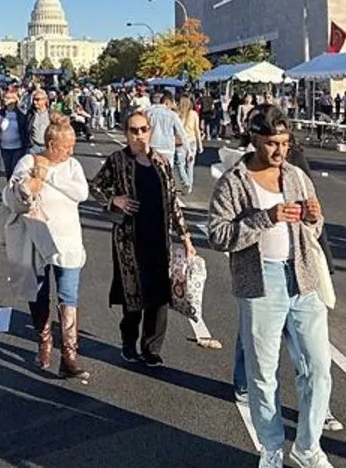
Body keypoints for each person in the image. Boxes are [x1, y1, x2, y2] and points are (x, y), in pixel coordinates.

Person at [206, 104, 333, 468]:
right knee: (263, 373)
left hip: (303, 276)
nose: (279, 151)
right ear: (254, 139)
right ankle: (272, 446)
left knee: (318, 367)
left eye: (284, 142)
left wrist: (313, 218)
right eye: (272, 143)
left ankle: (308, 448)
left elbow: (315, 228)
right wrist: (266, 217)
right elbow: (218, 235)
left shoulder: (295, 176)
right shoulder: (234, 181)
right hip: (261, 282)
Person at [90, 111, 196, 368]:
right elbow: (96, 187)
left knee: (159, 296)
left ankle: (151, 348)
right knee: (133, 295)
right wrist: (114, 201)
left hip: (160, 239)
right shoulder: (118, 160)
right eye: (134, 130)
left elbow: (172, 202)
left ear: (150, 131)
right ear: (126, 133)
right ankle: (129, 342)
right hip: (129, 240)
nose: (139, 135)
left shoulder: (160, 162)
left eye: (143, 129)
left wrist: (186, 237)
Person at [4, 115, 91, 381]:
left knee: (68, 296)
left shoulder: (72, 165)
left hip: (67, 241)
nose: (71, 151)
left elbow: (81, 193)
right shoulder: (28, 161)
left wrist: (49, 175)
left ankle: (70, 355)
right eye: (66, 147)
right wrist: (26, 186)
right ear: (51, 144)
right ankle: (44, 341)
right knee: (39, 294)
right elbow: (11, 193)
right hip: (35, 240)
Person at [0, 90, 30, 181]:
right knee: (8, 170)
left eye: (7, 98)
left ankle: (14, 191)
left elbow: (25, 128)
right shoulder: (0, 114)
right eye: (4, 97)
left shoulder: (20, 114)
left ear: (14, 100)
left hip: (18, 147)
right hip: (4, 147)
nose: (4, 99)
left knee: (15, 170)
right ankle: (10, 190)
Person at [144, 92, 186, 178]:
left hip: (153, 146)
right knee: (168, 173)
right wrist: (187, 149)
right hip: (168, 147)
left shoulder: (148, 112)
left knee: (152, 172)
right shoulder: (172, 114)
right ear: (167, 102)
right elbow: (181, 132)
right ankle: (166, 187)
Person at [176, 93, 202, 194]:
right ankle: (189, 185)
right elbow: (197, 130)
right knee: (190, 165)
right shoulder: (194, 114)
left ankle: (185, 182)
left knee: (180, 164)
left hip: (181, 142)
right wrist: (200, 144)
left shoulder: (177, 114)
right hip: (192, 141)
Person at [27, 89, 52, 153]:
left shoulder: (51, 114)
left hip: (48, 147)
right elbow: (25, 129)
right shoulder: (30, 114)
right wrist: (29, 142)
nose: (35, 102)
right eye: (34, 100)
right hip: (33, 147)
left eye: (37, 99)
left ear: (45, 100)